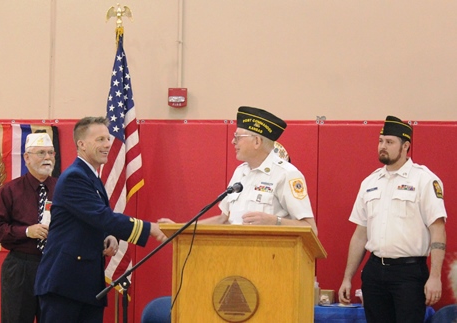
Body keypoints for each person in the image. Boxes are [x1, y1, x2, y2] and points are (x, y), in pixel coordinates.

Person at [34, 117, 167, 323]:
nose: (107, 144)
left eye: (108, 139)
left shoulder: (90, 176)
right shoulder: (74, 177)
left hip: (84, 285)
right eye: (100, 139)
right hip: (65, 285)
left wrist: (108, 235)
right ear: (82, 144)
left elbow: (89, 218)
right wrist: (150, 228)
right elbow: (101, 216)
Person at [338, 116, 447, 323]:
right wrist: (347, 278)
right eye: (380, 141)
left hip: (409, 274)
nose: (382, 146)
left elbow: (438, 230)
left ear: (405, 146)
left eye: (389, 142)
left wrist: (435, 276)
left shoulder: (424, 180)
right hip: (374, 271)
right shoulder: (370, 182)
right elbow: (360, 234)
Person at [159, 106, 318, 235]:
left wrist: (274, 222)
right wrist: (180, 229)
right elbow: (224, 220)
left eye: (238, 137)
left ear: (257, 141)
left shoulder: (286, 174)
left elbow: (310, 228)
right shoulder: (241, 172)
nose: (233, 141)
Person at [0, 132, 57, 323]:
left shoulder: (63, 189)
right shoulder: (10, 190)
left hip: (54, 266)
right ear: (26, 157)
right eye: (41, 153)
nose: (48, 158)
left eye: (51, 153)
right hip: (20, 267)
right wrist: (27, 231)